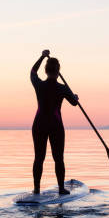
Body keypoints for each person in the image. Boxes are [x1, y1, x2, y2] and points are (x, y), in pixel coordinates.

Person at [30, 50, 79, 195]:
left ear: (45, 71)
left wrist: (42, 56)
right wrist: (75, 96)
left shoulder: (39, 85)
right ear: (58, 72)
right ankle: (61, 188)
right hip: (55, 126)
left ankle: (36, 189)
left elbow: (32, 71)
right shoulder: (62, 88)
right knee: (58, 158)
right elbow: (74, 103)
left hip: (39, 124)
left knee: (39, 158)